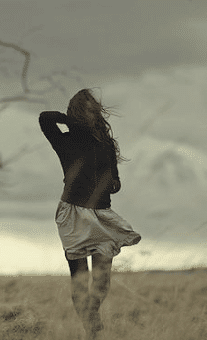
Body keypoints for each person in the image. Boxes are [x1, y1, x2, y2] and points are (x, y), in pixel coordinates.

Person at [38, 89, 141, 340]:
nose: (92, 117)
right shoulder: (64, 141)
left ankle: (91, 313)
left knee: (102, 280)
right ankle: (90, 328)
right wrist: (72, 121)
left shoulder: (105, 144)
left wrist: (113, 185)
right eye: (87, 113)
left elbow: (116, 180)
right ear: (76, 115)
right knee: (79, 279)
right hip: (72, 214)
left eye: (93, 112)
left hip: (102, 215)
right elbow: (44, 118)